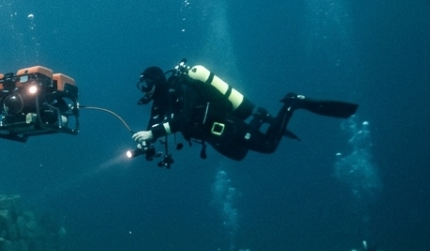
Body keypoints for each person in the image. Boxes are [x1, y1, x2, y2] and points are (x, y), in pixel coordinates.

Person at [132, 60, 358, 163]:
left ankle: (292, 104)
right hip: (212, 135)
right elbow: (153, 127)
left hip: (226, 124)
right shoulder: (162, 101)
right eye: (142, 87)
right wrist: (146, 142)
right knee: (239, 155)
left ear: (157, 82)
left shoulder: (183, 88)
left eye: (146, 85)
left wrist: (153, 134)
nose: (145, 91)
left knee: (268, 146)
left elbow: (182, 120)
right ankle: (259, 119)